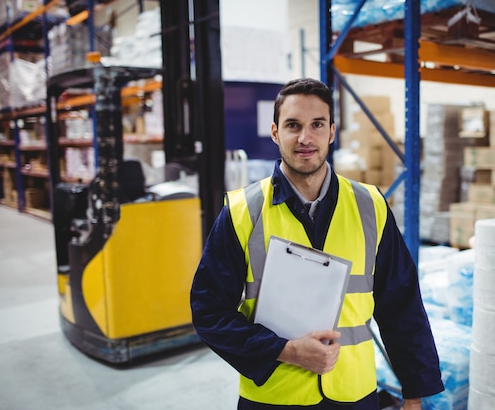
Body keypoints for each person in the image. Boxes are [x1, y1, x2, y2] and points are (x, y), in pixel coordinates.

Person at [190, 78, 444, 410]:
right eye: (293, 125)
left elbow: (402, 305)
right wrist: (284, 350)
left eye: (317, 125)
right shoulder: (243, 212)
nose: (305, 138)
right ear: (275, 132)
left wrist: (414, 392)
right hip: (274, 397)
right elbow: (209, 312)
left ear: (332, 132)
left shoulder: (370, 206)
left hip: (354, 393)